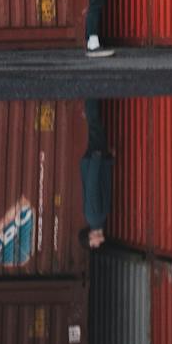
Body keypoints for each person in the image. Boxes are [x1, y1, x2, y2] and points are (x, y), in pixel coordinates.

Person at [80, 99, 113, 248]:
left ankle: (91, 93)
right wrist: (109, 160)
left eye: (94, 245)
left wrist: (97, 158)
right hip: (98, 162)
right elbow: (104, 186)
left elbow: (92, 187)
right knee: (96, 125)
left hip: (95, 160)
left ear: (90, 238)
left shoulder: (94, 218)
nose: (98, 244)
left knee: (94, 123)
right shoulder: (98, 219)